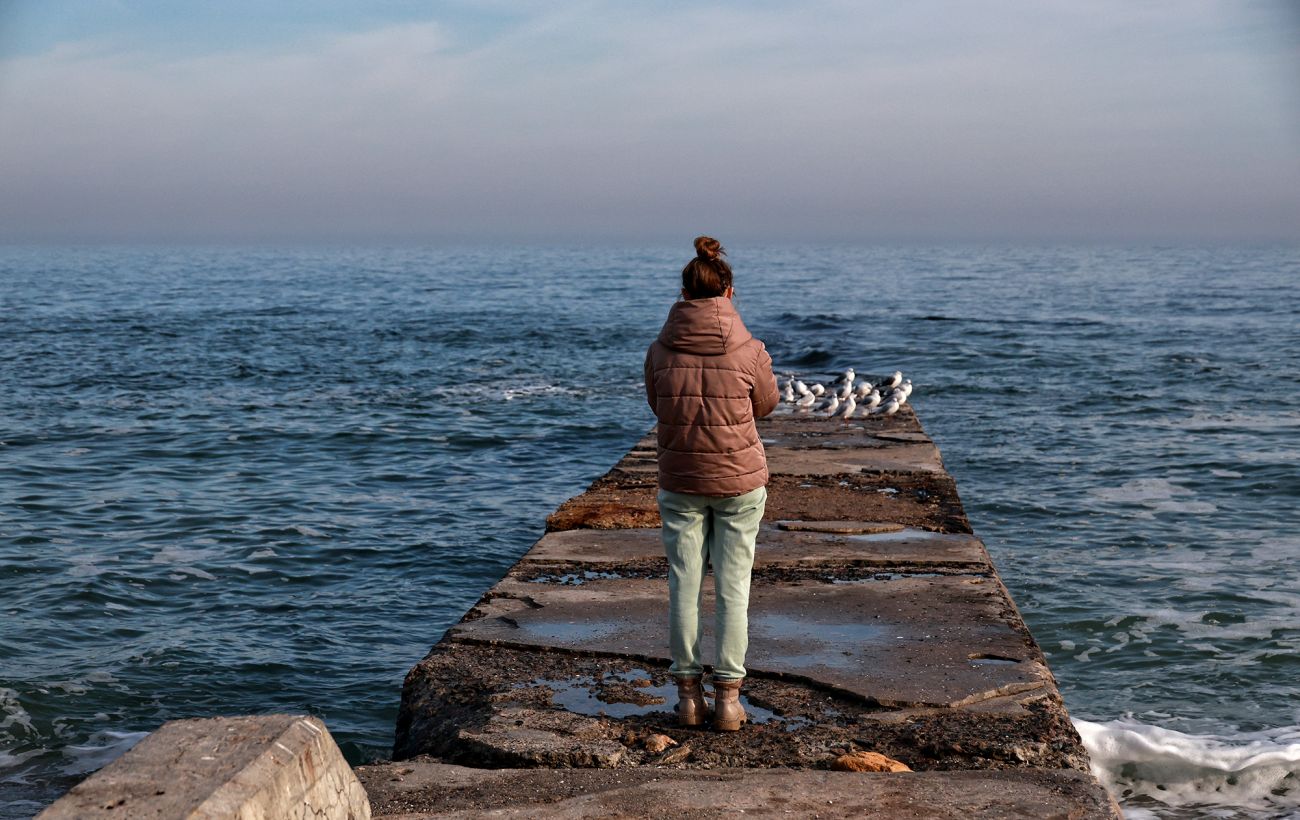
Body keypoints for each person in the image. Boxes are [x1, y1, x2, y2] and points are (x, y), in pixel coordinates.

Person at [643, 236, 780, 732]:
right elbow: (766, 405)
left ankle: (687, 697)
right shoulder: (750, 350)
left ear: (683, 293)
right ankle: (728, 700)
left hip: (680, 478)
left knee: (683, 583)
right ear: (729, 292)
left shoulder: (660, 350)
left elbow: (659, 406)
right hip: (740, 481)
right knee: (733, 586)